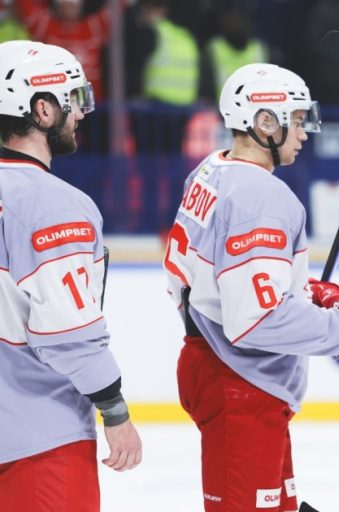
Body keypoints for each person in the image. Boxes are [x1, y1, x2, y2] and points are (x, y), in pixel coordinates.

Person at [162, 62, 339, 511]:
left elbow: (234, 278)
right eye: (296, 120)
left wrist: (317, 297)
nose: (304, 133)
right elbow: (256, 320)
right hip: (239, 380)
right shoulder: (261, 196)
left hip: (217, 365)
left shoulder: (212, 170)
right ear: (264, 121)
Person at [0, 40, 142, 510]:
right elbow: (68, 331)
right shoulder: (53, 204)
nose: (81, 113)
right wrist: (114, 409)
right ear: (42, 109)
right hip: (40, 441)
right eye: (74, 100)